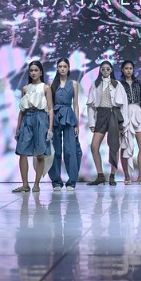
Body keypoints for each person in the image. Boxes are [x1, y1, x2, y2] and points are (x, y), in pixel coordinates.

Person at [13, 61, 54, 193]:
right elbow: (21, 110)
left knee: (40, 154)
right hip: (27, 119)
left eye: (36, 70)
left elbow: (50, 108)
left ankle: (36, 184)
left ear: (41, 72)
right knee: (22, 152)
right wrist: (18, 127)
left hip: (41, 119)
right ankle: (25, 184)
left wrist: (50, 128)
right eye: (31, 70)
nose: (33, 72)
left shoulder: (46, 88)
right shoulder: (25, 89)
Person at [86, 60, 128, 186]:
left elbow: (124, 105)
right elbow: (90, 105)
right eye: (103, 69)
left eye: (107, 69)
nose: (105, 71)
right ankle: (100, 175)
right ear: (100, 70)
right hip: (101, 115)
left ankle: (112, 175)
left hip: (114, 114)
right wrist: (92, 123)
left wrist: (124, 123)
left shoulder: (117, 84)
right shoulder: (95, 84)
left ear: (111, 70)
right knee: (94, 146)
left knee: (114, 145)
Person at [48, 58, 80, 192]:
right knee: (55, 151)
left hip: (69, 117)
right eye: (60, 66)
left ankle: (71, 182)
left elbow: (76, 104)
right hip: (55, 116)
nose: (62, 68)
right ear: (57, 68)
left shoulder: (74, 83)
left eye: (64, 66)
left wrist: (77, 124)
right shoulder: (51, 83)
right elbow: (49, 105)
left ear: (68, 68)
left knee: (70, 150)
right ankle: (56, 182)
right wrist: (49, 124)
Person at [119, 60, 141, 185]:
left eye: (131, 68)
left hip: (138, 113)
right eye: (126, 68)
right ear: (122, 70)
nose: (129, 70)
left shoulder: (140, 84)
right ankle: (127, 176)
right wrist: (119, 121)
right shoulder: (119, 85)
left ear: (133, 70)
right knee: (125, 145)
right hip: (124, 114)